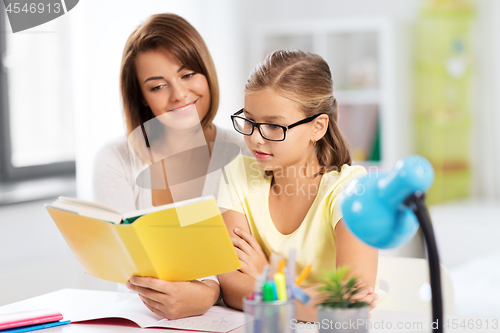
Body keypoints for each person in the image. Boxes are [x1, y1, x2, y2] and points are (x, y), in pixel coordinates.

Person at [92, 13, 250, 320]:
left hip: (227, 319)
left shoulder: (244, 152)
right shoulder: (115, 159)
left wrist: (211, 291)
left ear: (206, 73)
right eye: (158, 86)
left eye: (188, 74)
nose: (179, 94)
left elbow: (250, 259)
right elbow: (126, 268)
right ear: (142, 98)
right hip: (141, 318)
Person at [217, 49, 379, 321]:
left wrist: (267, 277)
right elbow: (231, 286)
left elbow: (349, 304)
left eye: (273, 126)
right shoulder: (236, 175)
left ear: (317, 127)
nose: (256, 139)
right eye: (250, 121)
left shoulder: (352, 191)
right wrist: (305, 299)